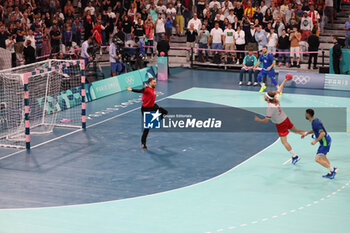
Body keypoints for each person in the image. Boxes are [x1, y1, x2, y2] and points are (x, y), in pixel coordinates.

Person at [255, 78, 305, 165]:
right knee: (296, 130)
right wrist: (285, 80)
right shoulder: (275, 98)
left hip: (281, 124)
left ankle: (294, 156)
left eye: (265, 95)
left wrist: (258, 120)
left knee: (284, 142)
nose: (264, 96)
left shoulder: (270, 108)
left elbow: (266, 121)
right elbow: (279, 89)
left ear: (267, 98)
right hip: (285, 118)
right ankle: (312, 135)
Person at [126, 77, 168, 150]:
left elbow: (149, 91)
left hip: (153, 106)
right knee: (147, 128)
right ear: (150, 83)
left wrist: (147, 86)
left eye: (155, 82)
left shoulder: (151, 88)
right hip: (146, 109)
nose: (155, 83)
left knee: (165, 112)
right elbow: (140, 91)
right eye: (154, 82)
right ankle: (143, 144)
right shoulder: (146, 90)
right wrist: (132, 89)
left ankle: (155, 122)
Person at [302, 109, 337, 179]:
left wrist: (315, 141)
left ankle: (332, 170)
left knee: (317, 159)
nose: (305, 115)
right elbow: (315, 130)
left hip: (325, 143)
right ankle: (331, 172)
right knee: (323, 157)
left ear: (308, 114)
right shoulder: (314, 121)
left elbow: (322, 133)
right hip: (327, 140)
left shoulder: (315, 123)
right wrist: (307, 133)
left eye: (305, 113)